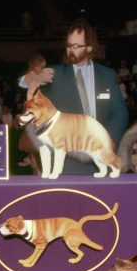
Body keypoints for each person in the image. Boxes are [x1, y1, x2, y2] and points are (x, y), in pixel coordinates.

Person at [19, 19, 129, 175]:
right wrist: (32, 78)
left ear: (89, 47)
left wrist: (107, 141)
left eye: (76, 46)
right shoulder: (54, 73)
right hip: (69, 163)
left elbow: (120, 112)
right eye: (69, 45)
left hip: (103, 155)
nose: (71, 50)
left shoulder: (108, 75)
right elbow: (23, 83)